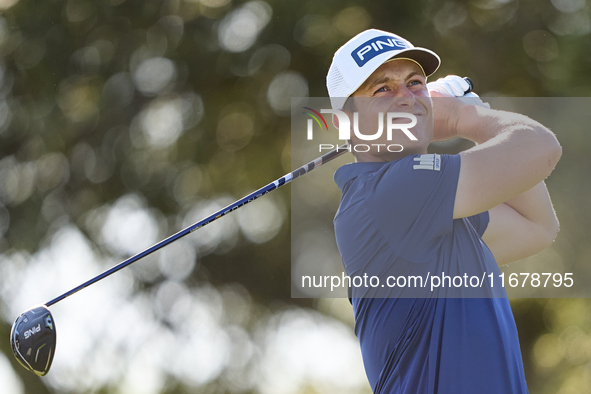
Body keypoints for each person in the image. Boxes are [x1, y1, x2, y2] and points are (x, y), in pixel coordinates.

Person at [327, 29, 561, 393]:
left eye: (415, 83)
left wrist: (478, 116)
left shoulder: (439, 212)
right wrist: (460, 119)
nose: (405, 97)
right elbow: (541, 147)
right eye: (382, 89)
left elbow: (537, 226)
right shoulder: (389, 192)